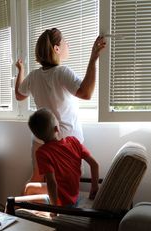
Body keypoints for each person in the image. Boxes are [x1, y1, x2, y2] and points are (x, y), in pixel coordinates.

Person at [15, 28, 106, 183]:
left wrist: (21, 70)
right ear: (56, 49)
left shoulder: (34, 76)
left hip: (41, 139)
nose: (68, 45)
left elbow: (19, 95)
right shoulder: (62, 72)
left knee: (37, 180)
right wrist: (93, 59)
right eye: (65, 42)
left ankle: (16, 207)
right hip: (66, 141)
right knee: (66, 184)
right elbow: (86, 93)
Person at [23, 108, 99, 207]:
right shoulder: (74, 141)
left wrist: (54, 208)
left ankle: (14, 215)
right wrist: (94, 187)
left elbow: (52, 182)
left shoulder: (42, 152)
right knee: (29, 187)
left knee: (13, 202)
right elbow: (95, 165)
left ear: (37, 135)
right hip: (71, 195)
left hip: (61, 201)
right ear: (57, 129)